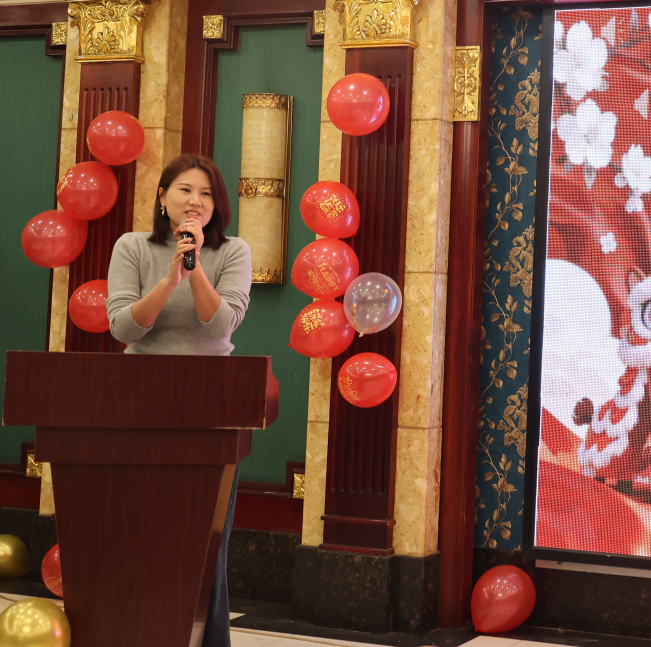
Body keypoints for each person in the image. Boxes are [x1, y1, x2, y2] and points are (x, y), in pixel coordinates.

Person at [106, 154, 252, 647]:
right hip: (138, 399)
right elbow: (123, 327)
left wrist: (196, 268)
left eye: (207, 193)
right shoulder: (132, 247)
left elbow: (222, 325)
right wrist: (170, 280)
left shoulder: (233, 251)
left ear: (218, 205)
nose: (195, 201)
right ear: (162, 196)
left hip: (212, 402)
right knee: (136, 527)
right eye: (186, 190)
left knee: (203, 538)